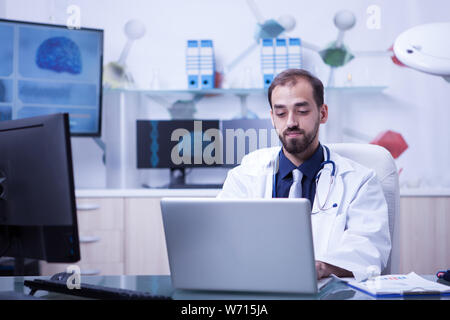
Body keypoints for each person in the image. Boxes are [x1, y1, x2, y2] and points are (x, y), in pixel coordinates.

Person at [217, 69, 391, 282]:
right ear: (272, 118)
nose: (290, 122)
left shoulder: (359, 181)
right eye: (281, 113)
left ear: (323, 113)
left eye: (302, 111)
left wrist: (320, 267)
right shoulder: (245, 175)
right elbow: (222, 239)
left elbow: (369, 249)